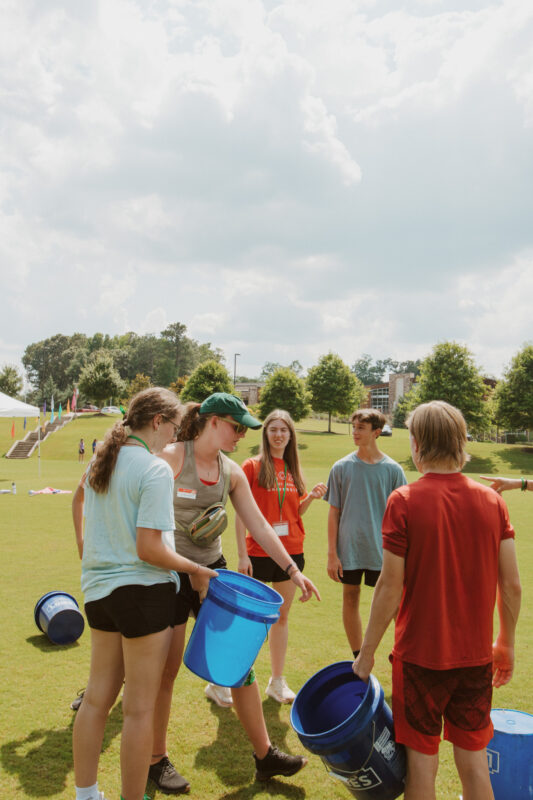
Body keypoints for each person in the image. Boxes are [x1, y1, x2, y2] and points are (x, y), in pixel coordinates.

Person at [151, 393, 320, 794]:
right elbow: (146, 522)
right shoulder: (171, 459)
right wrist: (188, 571)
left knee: (240, 663)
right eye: (236, 426)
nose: (241, 435)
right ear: (212, 421)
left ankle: (265, 756)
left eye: (245, 430)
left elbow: (259, 525)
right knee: (166, 670)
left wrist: (293, 570)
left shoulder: (230, 471)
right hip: (168, 574)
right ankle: (156, 760)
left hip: (214, 573)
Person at [353, 401, 522, 800]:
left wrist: (366, 653)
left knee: (421, 769)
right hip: (475, 659)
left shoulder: (404, 500)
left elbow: (389, 587)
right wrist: (506, 642)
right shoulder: (493, 502)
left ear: (417, 443)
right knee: (475, 766)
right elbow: (512, 585)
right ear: (460, 442)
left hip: (418, 660)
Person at [71, 388, 217, 800]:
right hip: (144, 594)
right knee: (138, 710)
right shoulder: (154, 469)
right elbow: (149, 549)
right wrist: (197, 570)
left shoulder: (102, 460)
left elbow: (80, 507)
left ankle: (86, 795)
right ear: (157, 421)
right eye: (174, 428)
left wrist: (87, 550)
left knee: (96, 701)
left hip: (100, 594)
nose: (174, 436)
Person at [235, 409, 326, 704]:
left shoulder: (292, 469)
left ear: (290, 435)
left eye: (283, 430)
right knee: (251, 620)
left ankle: (277, 681)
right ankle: (230, 677)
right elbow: (240, 513)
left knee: (281, 618)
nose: (278, 435)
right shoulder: (252, 466)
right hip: (258, 553)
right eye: (273, 429)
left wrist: (310, 498)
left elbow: (294, 512)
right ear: (266, 434)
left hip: (292, 552)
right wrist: (242, 555)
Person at [325, 408, 406, 658]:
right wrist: (332, 555)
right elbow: (334, 513)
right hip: (349, 549)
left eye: (361, 428)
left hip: (383, 551)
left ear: (376, 432)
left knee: (395, 604)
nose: (355, 432)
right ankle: (358, 656)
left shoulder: (393, 470)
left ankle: (404, 654)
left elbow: (403, 518)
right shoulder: (341, 467)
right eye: (354, 427)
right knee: (350, 598)